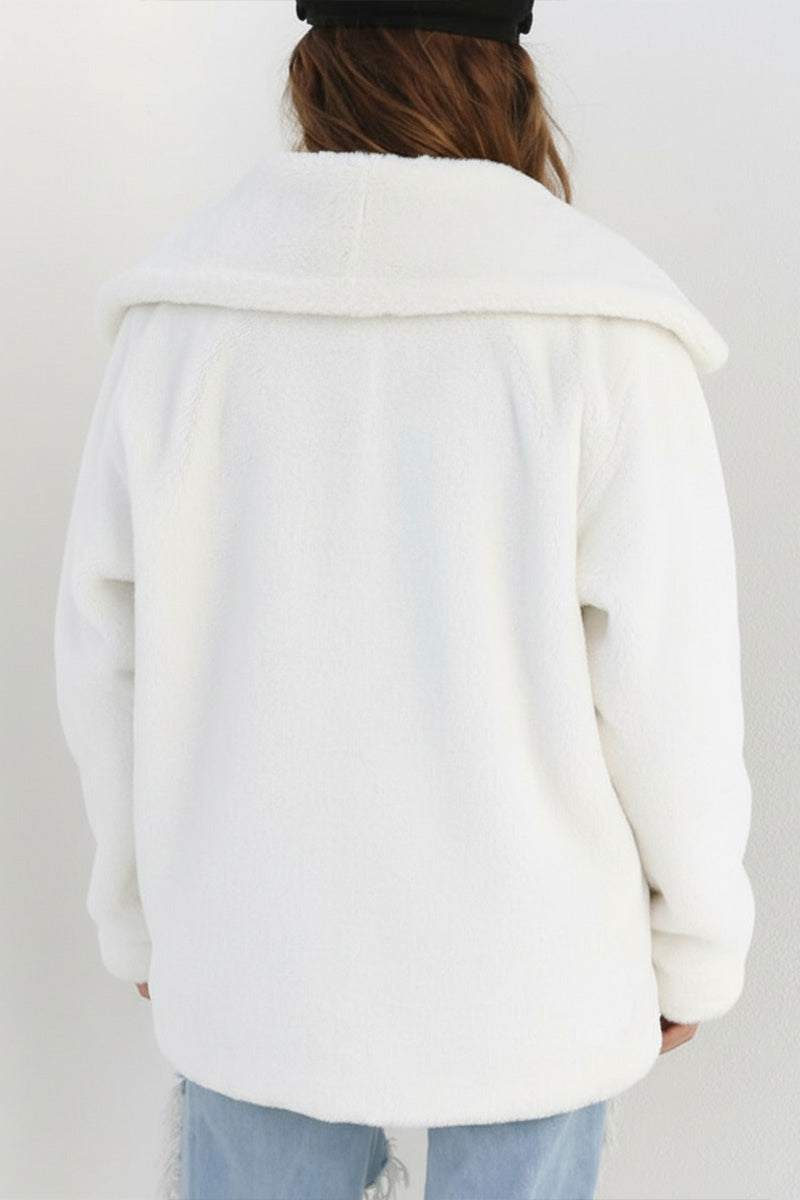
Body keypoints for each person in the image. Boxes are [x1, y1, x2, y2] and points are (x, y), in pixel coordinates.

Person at [52, 2, 755, 1198]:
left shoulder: (180, 325)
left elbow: (103, 652)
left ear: (314, 72)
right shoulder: (602, 333)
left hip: (252, 946)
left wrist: (138, 913)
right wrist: (693, 946)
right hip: (535, 966)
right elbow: (667, 684)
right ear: (509, 80)